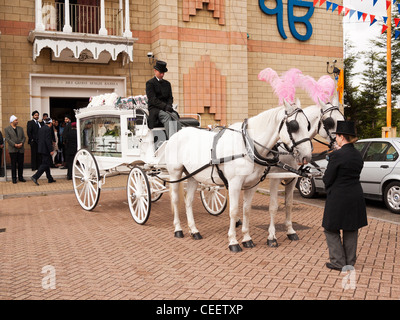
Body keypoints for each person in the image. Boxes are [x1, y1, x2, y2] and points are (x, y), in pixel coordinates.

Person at [322, 120, 368, 271]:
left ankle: (338, 262)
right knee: (351, 228)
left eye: (337, 136)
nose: (335, 138)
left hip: (338, 197)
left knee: (330, 228)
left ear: (342, 137)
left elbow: (328, 178)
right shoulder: (357, 154)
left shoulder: (337, 155)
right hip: (355, 195)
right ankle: (349, 262)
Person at [146, 60, 182, 138]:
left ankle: (179, 137)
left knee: (175, 115)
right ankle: (172, 139)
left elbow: (170, 97)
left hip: (166, 107)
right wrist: (165, 107)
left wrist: (169, 105)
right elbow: (153, 99)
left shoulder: (167, 84)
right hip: (155, 109)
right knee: (167, 116)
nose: (162, 75)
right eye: (160, 73)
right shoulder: (150, 83)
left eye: (163, 73)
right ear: (155, 71)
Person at [31, 118, 56, 185]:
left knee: (46, 163)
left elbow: (38, 138)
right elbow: (48, 140)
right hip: (46, 149)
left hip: (41, 148)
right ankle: (35, 176)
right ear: (50, 123)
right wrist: (51, 150)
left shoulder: (41, 128)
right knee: (45, 164)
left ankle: (50, 178)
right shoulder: (48, 129)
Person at [4, 115, 26, 184]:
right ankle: (14, 178)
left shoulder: (20, 128)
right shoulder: (7, 129)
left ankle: (20, 177)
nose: (17, 121)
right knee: (13, 165)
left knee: (20, 164)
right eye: (16, 120)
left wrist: (21, 143)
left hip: (21, 149)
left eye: (17, 120)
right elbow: (8, 139)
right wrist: (15, 145)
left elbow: (24, 137)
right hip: (13, 149)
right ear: (12, 121)